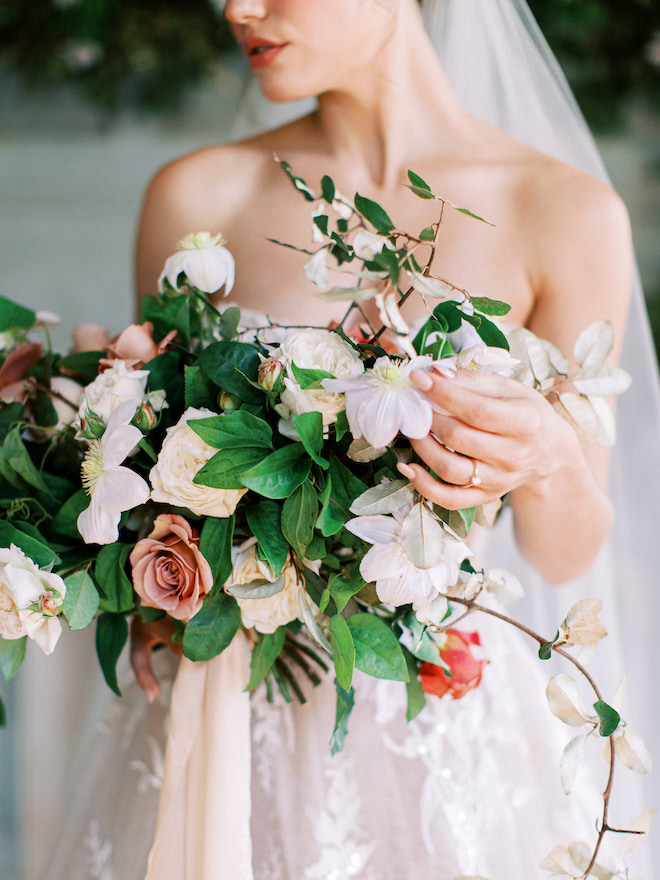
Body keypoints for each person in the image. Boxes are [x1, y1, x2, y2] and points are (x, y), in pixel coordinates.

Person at [44, 1, 660, 878]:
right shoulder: (196, 197)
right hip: (222, 714)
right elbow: (148, 481)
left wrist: (551, 460)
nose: (237, 9)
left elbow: (564, 556)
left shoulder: (563, 211)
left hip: (441, 728)